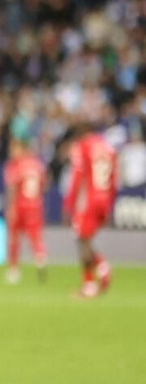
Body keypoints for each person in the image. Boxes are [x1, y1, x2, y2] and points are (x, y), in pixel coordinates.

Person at [65, 127, 118, 298]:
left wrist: (69, 204)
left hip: (89, 198)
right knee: (85, 238)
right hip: (104, 198)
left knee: (81, 240)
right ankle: (101, 269)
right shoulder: (108, 148)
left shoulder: (82, 146)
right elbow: (114, 179)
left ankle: (91, 282)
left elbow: (77, 176)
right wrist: (109, 203)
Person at [3, 136, 48, 284]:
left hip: (19, 204)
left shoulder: (15, 165)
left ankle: (14, 270)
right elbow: (45, 184)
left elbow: (12, 187)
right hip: (35, 205)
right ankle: (40, 258)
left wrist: (10, 207)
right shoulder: (37, 164)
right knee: (35, 237)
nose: (12, 152)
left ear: (21, 148)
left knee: (14, 237)